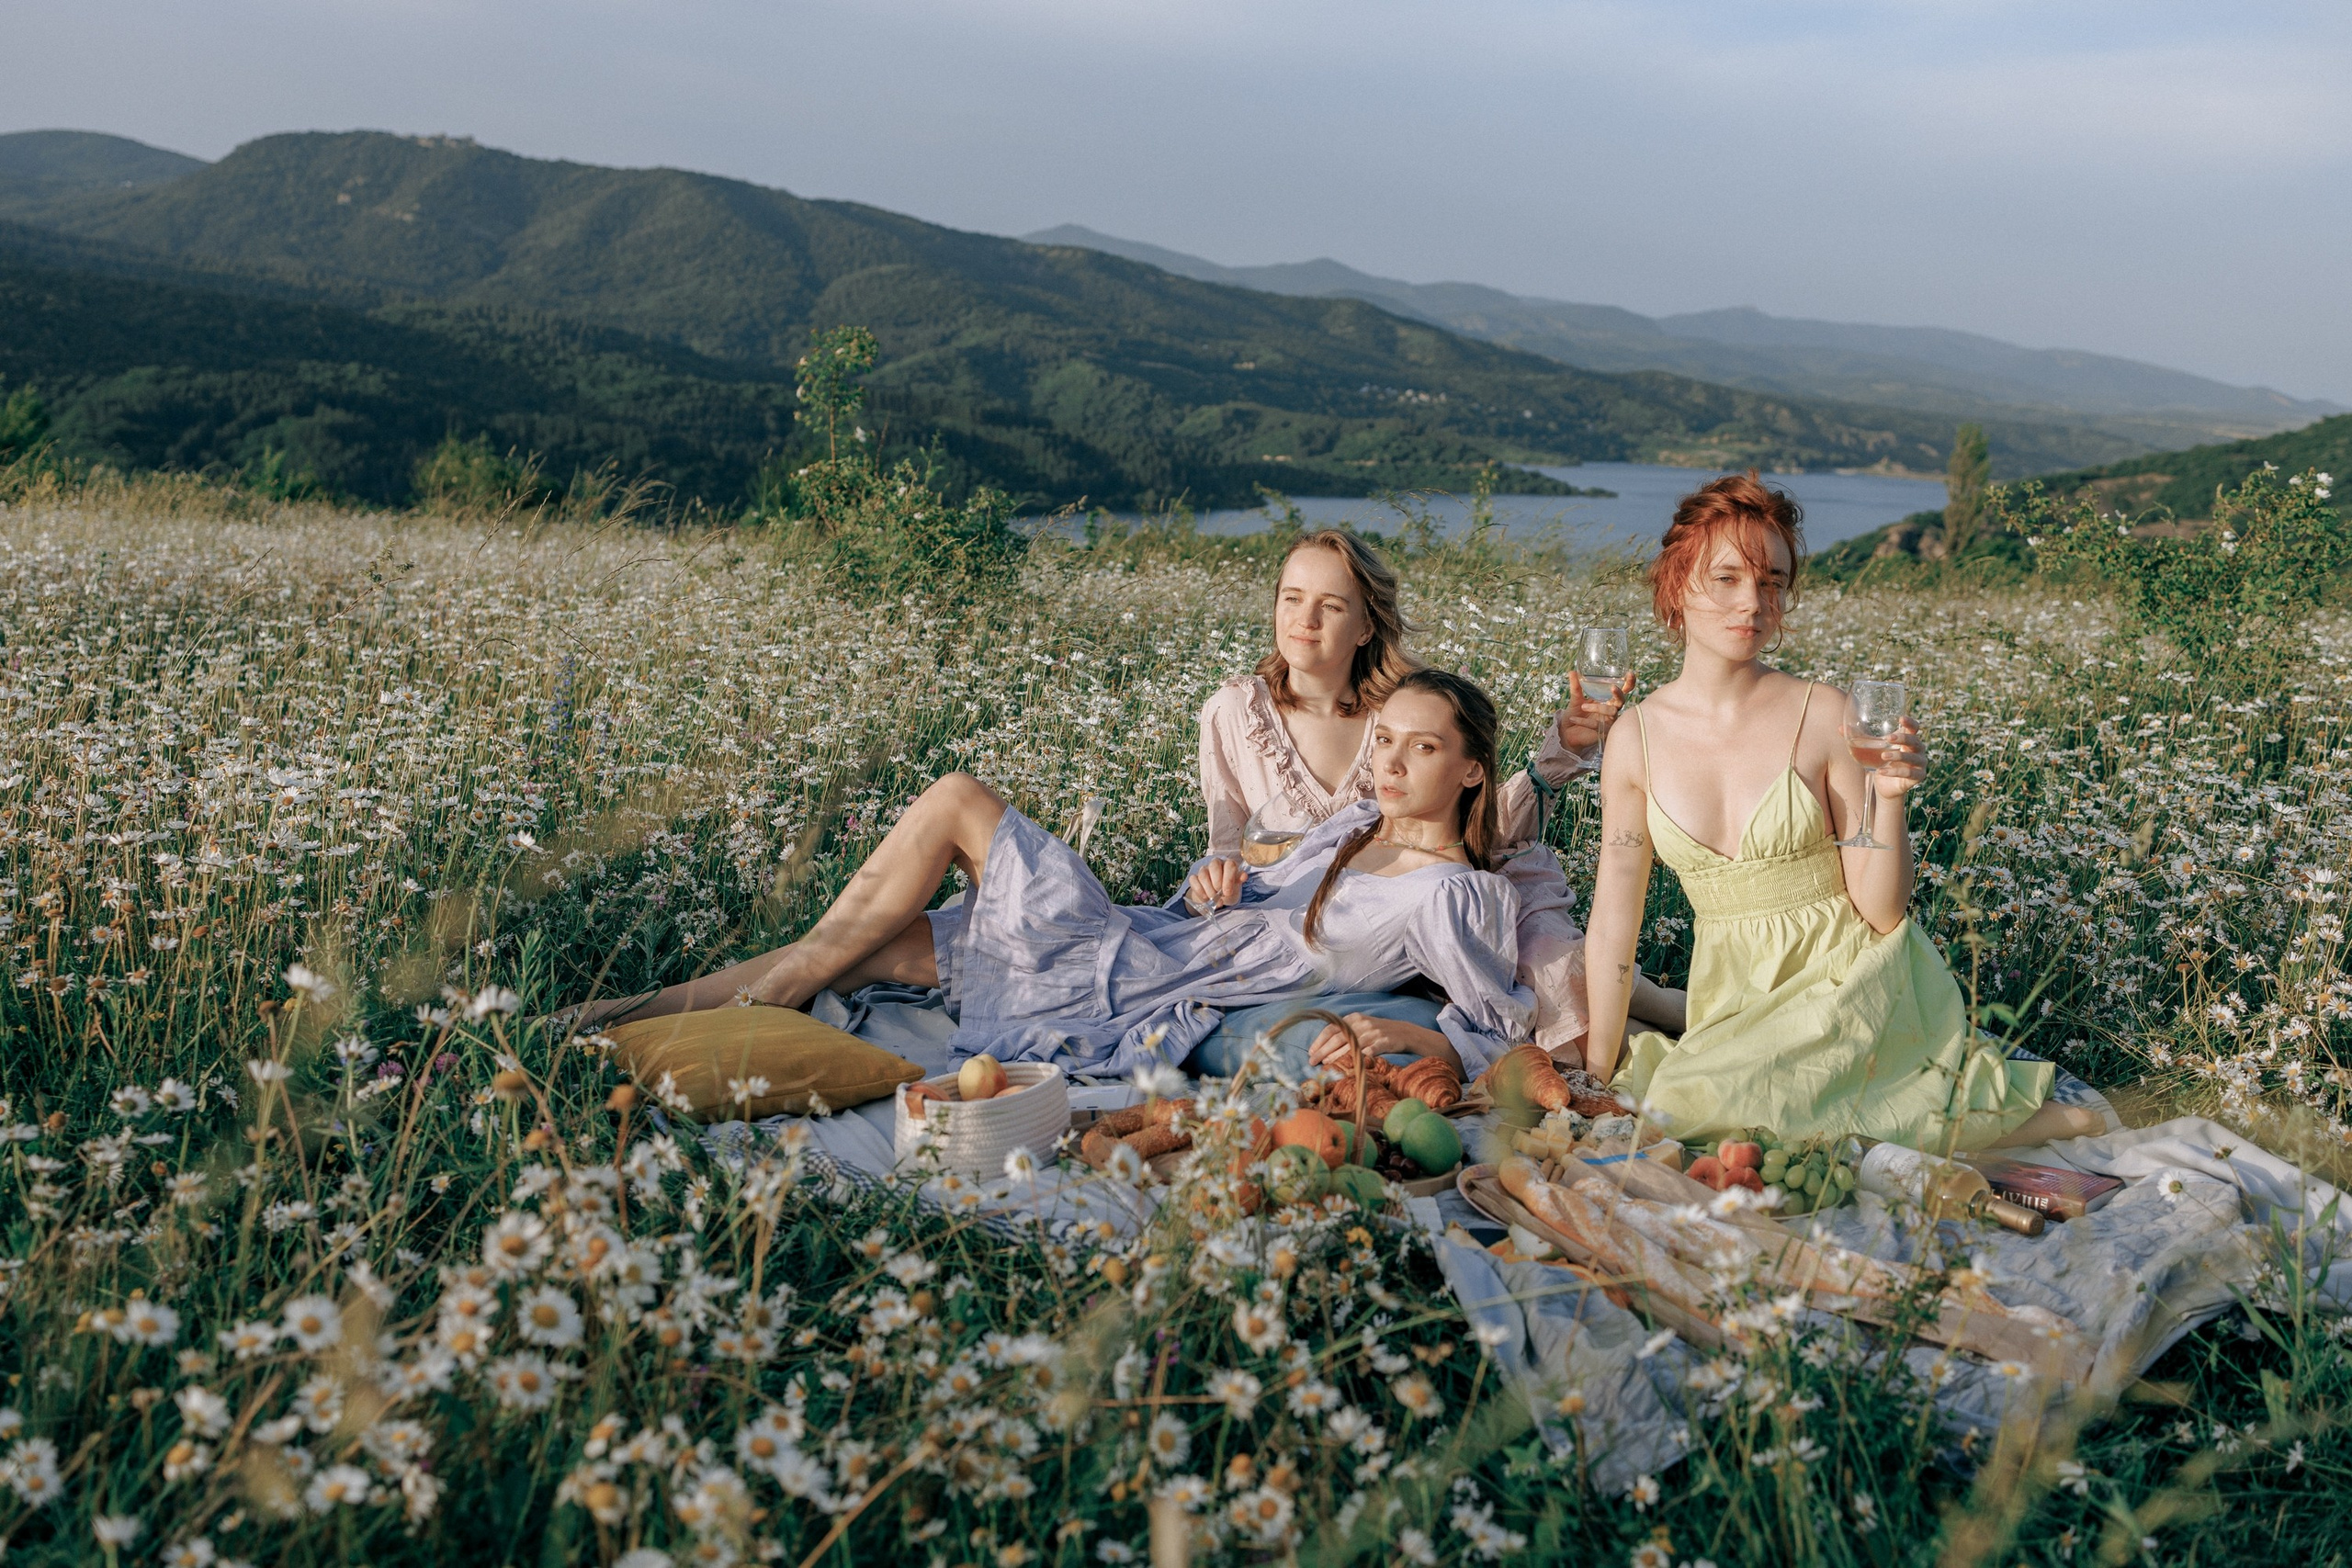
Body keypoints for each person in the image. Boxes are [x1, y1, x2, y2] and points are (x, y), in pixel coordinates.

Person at [573, 670, 1535, 1081]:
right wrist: (1218, 879)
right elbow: (1248, 870)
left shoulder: (1453, 895)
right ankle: (605, 1016)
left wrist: (1445, 1054)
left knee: (953, 800)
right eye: (1387, 742)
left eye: (1423, 748)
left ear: (1472, 769)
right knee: (857, 951)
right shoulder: (1360, 823)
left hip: (1137, 976)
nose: (1393, 764)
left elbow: (1502, 1025)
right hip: (1152, 933)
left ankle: (757, 1004)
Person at [1580, 474, 2105, 1153]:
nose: (1754, 602)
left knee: (1711, 1111)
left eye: (1773, 582)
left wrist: (1889, 801)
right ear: (1677, 583)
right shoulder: (1635, 739)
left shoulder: (1825, 714)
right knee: (1678, 1110)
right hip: (1735, 997)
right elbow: (1614, 920)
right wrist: (1594, 1070)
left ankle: (2005, 1113)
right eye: (1729, 577)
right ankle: (1926, 1114)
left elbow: (1882, 913)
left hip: (1847, 979)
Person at [1191, 527, 1682, 1076]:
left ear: (1365, 626)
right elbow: (1228, 851)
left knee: (1559, 975)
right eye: (1292, 598)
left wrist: (1562, 751)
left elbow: (1478, 821)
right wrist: (1213, 879)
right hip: (1333, 923)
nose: (1305, 620)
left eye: (1330, 606)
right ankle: (1674, 1034)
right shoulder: (1233, 711)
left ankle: (1688, 1018)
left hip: (1442, 892)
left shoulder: (1403, 708)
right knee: (1566, 1008)